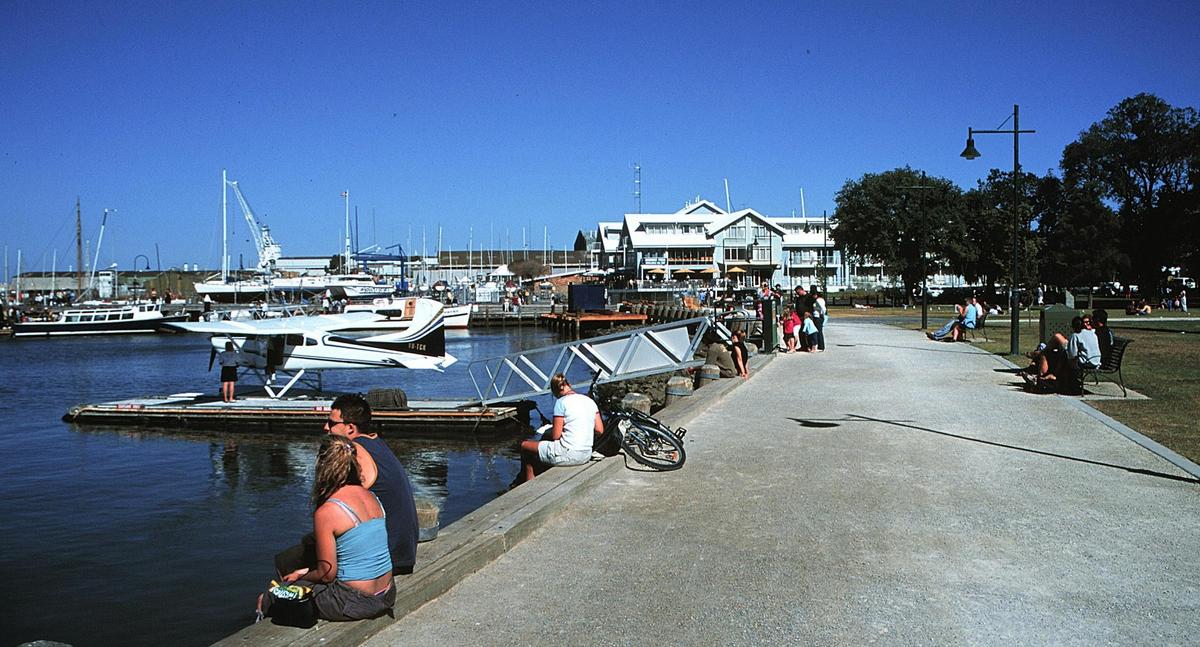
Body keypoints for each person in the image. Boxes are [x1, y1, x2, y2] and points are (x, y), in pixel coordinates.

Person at [275, 395, 420, 579]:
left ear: (350, 428)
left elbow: (333, 506)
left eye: (331, 423)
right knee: (311, 542)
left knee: (288, 561)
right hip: (402, 548)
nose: (326, 427)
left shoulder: (353, 452)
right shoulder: (376, 443)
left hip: (387, 557)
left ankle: (277, 602)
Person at [258, 435, 395, 623]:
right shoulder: (372, 497)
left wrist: (300, 576)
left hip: (354, 601)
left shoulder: (329, 510)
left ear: (322, 466)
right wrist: (302, 572)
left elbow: (326, 573)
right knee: (298, 577)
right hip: (386, 594)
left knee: (271, 596)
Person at [515, 374, 604, 485]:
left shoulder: (561, 402)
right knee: (545, 446)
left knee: (525, 446)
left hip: (569, 455)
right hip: (586, 454)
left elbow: (556, 436)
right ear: (569, 385)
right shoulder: (590, 401)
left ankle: (528, 483)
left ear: (555, 391)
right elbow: (600, 430)